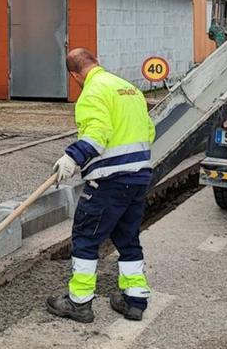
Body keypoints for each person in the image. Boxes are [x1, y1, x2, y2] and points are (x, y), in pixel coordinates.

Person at [46, 48, 155, 323]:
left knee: (85, 238)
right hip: (139, 178)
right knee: (128, 239)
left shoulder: (92, 93)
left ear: (74, 75)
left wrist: (72, 158)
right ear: (97, 61)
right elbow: (149, 131)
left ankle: (79, 302)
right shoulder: (127, 88)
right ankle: (135, 300)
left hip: (109, 182)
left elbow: (98, 134)